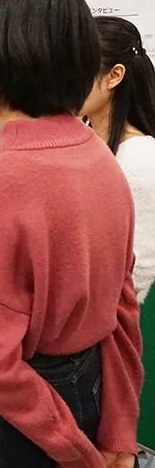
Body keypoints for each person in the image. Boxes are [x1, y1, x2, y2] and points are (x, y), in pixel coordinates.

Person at [0, 0, 143, 468]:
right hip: (82, 387)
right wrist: (116, 435)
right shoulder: (103, 160)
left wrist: (80, 456)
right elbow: (123, 312)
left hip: (3, 415)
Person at [82, 16, 155, 305]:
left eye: (77, 71)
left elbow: (137, 272)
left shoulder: (141, 159)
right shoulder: (80, 139)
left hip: (102, 328)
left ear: (114, 76)